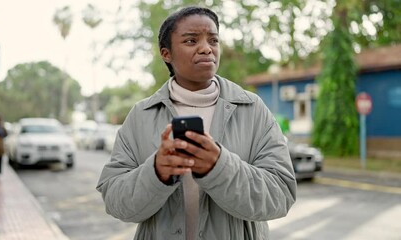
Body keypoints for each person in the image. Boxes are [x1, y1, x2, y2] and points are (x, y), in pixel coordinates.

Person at [97, 6, 296, 239]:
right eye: (191, 41)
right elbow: (115, 201)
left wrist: (219, 167)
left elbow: (281, 195)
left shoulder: (253, 109)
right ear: (166, 53)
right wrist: (157, 172)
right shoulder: (141, 115)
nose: (206, 48)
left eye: (213, 40)